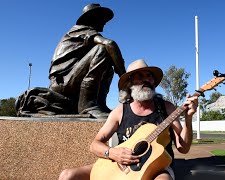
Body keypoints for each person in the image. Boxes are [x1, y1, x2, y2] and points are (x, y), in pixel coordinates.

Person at [58, 59, 198, 180]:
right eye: (140, 76)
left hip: (157, 167)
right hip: (119, 166)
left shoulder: (167, 108)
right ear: (130, 83)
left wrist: (188, 118)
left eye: (149, 76)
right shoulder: (120, 111)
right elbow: (95, 144)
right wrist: (112, 153)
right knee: (67, 176)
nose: (146, 80)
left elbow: (183, 148)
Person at [49, 3, 126, 118]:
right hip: (62, 83)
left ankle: (99, 104)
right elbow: (110, 44)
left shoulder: (84, 33)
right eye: (102, 17)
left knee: (108, 60)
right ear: (92, 18)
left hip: (70, 80)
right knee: (103, 49)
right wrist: (124, 77)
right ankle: (87, 106)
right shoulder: (81, 30)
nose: (105, 21)